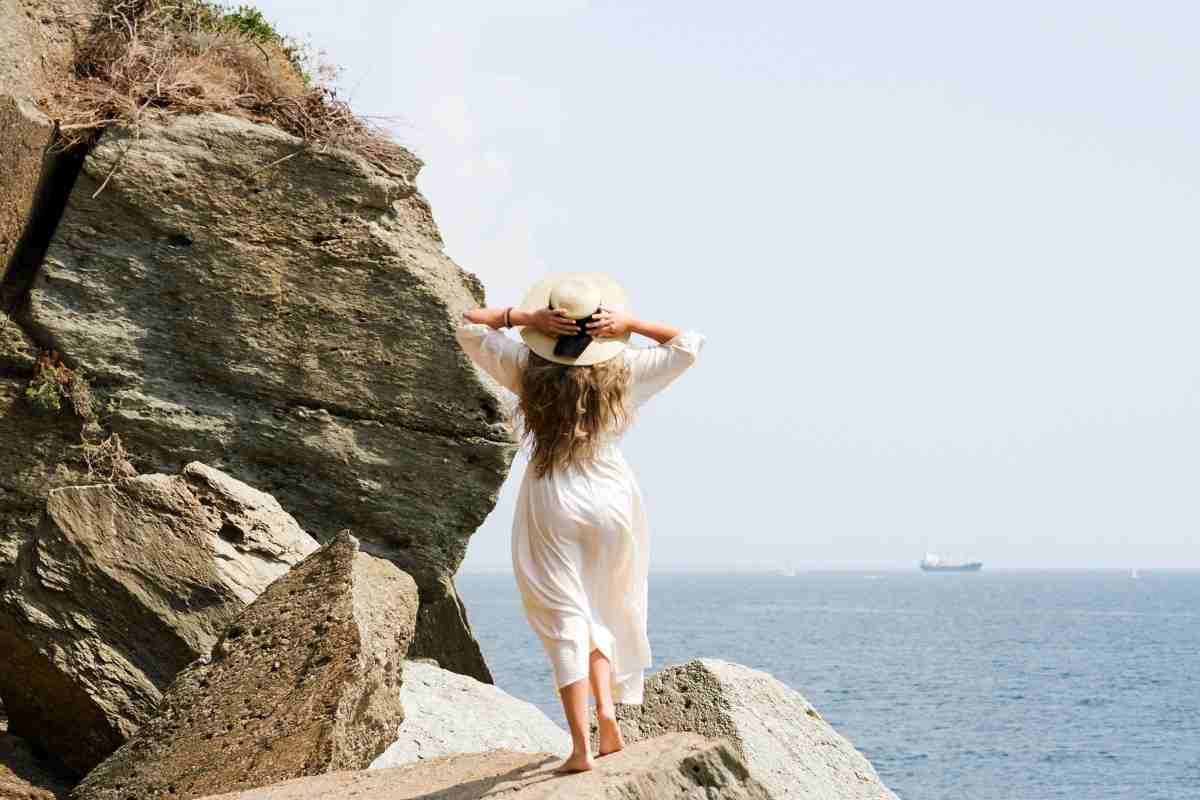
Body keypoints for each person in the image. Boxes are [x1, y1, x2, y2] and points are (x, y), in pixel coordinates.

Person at [455, 272, 704, 772]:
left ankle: (580, 747)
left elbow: (467, 326)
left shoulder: (524, 365)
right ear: (601, 323)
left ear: (549, 324)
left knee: (563, 616)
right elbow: (689, 344)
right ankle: (607, 714)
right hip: (613, 497)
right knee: (603, 605)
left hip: (554, 496)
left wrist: (521, 318)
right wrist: (628, 325)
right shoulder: (628, 369)